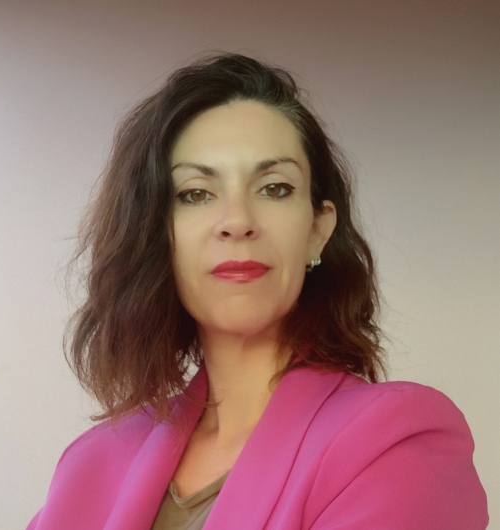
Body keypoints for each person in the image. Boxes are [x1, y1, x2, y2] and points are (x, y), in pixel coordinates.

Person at [27, 53, 488, 529]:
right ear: (156, 235)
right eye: (195, 194)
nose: (237, 222)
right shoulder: (93, 462)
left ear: (318, 229)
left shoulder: (394, 441)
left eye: (274, 188)